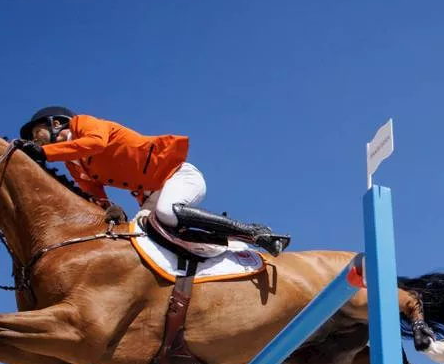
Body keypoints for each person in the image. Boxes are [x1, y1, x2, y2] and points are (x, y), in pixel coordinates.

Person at [17, 107, 288, 255]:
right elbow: (94, 192)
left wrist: (44, 153)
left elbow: (96, 144)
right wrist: (107, 208)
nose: (34, 139)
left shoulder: (84, 124)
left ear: (56, 123)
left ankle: (256, 232)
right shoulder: (71, 163)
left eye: (36, 132)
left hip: (177, 176)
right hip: (149, 195)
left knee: (167, 213)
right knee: (138, 238)